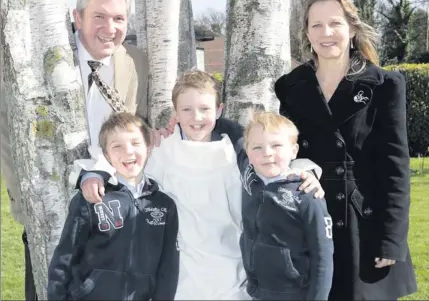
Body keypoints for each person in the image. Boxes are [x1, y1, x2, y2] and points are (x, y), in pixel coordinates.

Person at [79, 70, 324, 300]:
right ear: (175, 112)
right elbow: (122, 161)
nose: (196, 117)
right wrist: (94, 175)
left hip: (232, 271)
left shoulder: (235, 150)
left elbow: (274, 166)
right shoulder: (162, 149)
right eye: (186, 109)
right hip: (182, 273)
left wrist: (307, 172)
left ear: (219, 110)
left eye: (204, 109)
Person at [0, 0, 149, 300]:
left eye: (119, 18)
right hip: (52, 211)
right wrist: (25, 204)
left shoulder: (137, 63)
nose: (110, 28)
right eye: (99, 16)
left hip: (117, 218)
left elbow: (144, 133)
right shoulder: (36, 66)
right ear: (76, 17)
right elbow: (8, 137)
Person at [274, 0, 417, 300]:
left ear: (351, 29)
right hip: (312, 220)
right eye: (317, 25)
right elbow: (285, 150)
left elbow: (396, 169)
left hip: (363, 227)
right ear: (307, 33)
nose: (327, 33)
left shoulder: (385, 85)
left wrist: (390, 240)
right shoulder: (290, 87)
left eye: (335, 24)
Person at [47, 112, 179, 300]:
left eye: (135, 143)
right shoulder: (92, 198)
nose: (128, 152)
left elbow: (168, 268)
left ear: (148, 147)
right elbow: (65, 257)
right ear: (107, 155)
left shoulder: (164, 206)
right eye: (117, 146)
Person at [235, 111, 333, 300]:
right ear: (248, 152)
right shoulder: (249, 179)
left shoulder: (307, 193)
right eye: (257, 147)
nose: (267, 153)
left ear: (294, 151)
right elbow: (230, 129)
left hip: (293, 293)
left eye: (276, 145)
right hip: (256, 291)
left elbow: (323, 257)